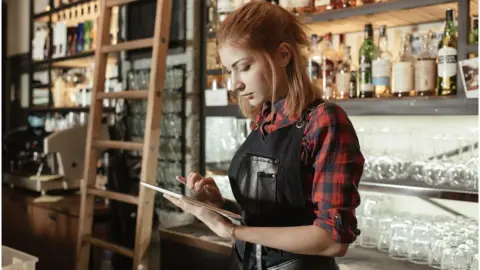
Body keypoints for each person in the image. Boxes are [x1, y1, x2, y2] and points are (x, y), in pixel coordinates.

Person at [163, 2, 364, 269]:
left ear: (283, 55)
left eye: (243, 67)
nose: (234, 83)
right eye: (229, 70)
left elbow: (332, 240)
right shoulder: (262, 120)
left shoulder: (324, 121)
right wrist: (218, 205)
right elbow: (275, 219)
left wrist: (232, 231)